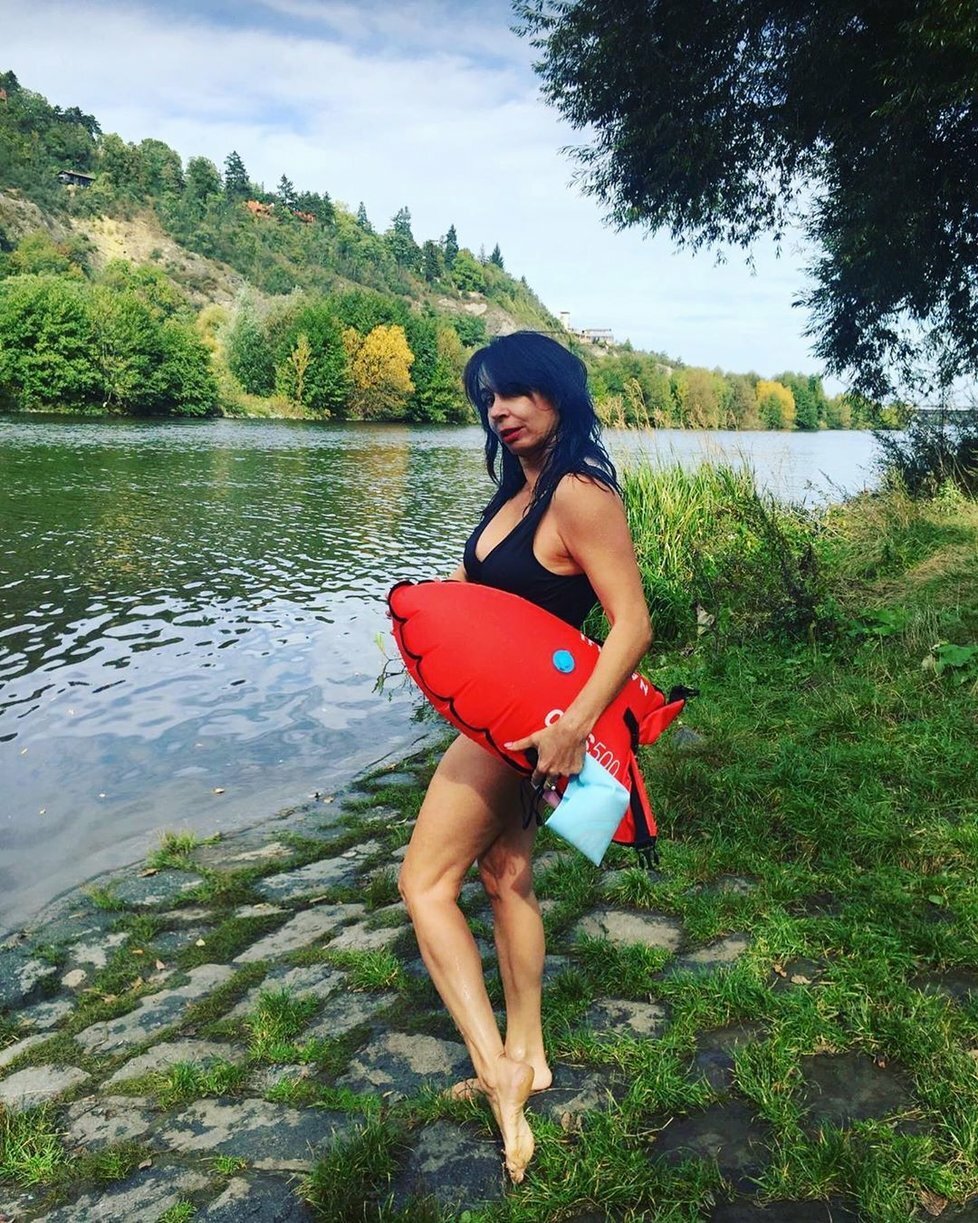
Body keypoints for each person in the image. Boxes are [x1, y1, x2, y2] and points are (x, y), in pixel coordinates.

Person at [397, 331, 653, 1182]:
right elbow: (487, 603)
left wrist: (574, 725)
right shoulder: (519, 487)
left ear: (558, 392)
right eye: (488, 399)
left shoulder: (579, 493)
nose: (500, 410)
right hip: (506, 720)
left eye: (515, 392)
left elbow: (632, 622)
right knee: (506, 876)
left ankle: (495, 1067)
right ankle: (530, 1054)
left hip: (532, 727)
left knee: (424, 884)